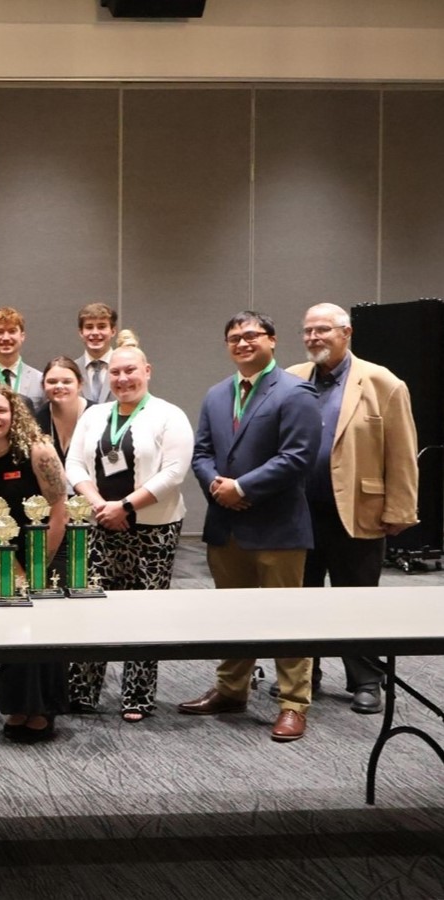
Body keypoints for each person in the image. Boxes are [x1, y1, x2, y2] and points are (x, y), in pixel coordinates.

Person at [181, 311, 321, 742]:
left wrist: (241, 486)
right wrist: (217, 487)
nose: (241, 343)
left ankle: (293, 703)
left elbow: (297, 457)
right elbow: (201, 452)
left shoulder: (296, 391)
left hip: (277, 526)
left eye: (250, 336)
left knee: (285, 619)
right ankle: (231, 689)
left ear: (273, 341)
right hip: (228, 526)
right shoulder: (217, 394)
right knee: (231, 615)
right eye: (233, 338)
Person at [288, 302, 418, 715]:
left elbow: (402, 453)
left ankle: (365, 680)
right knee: (301, 600)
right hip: (300, 514)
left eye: (323, 330)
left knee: (357, 600)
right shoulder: (291, 379)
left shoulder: (382, 383)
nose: (313, 338)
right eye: (308, 331)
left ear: (346, 333)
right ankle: (305, 675)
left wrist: (401, 509)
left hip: (357, 511)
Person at [64, 346, 193, 721]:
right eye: (116, 373)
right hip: (99, 524)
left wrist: (126, 507)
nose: (122, 379)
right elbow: (73, 462)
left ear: (147, 370)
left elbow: (173, 473)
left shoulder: (169, 415)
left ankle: (137, 697)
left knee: (145, 613)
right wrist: (100, 505)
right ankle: (83, 691)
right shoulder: (94, 414)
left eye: (130, 371)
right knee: (93, 610)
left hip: (153, 529)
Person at [0, 383, 68, 743]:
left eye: (0, 410)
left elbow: (59, 510)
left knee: (44, 629)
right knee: (15, 628)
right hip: (3, 548)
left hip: (49, 544)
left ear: (14, 415)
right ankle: (19, 705)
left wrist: (36, 567)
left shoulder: (38, 450)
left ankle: (43, 709)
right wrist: (10, 566)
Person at [35, 356, 90, 465]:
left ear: (79, 385)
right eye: (52, 382)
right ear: (43, 386)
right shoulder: (36, 420)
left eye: (67, 382)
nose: (59, 386)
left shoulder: (98, 415)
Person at [0, 307, 45, 411]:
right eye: (0, 332)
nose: (6, 338)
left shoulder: (39, 380)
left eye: (12, 331)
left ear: (22, 336)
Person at [75, 302, 117, 404]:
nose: (95, 333)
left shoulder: (126, 368)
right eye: (89, 327)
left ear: (113, 331)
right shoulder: (72, 370)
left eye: (101, 327)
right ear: (81, 332)